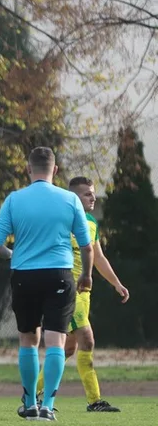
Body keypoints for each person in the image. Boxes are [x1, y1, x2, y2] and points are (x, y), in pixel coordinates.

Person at [0, 147, 93, 421]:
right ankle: (47, 404)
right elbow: (86, 246)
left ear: (28, 169)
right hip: (59, 273)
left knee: (28, 340)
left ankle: (29, 403)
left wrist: (13, 254)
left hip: (25, 275)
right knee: (56, 341)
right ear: (55, 170)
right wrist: (87, 275)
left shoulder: (14, 200)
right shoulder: (70, 199)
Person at [35, 176, 130, 412]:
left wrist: (116, 284)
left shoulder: (90, 222)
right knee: (88, 339)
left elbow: (98, 257)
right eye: (87, 193)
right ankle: (94, 401)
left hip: (84, 294)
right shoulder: (60, 220)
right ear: (74, 197)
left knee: (68, 349)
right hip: (67, 291)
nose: (93, 197)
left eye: (93, 193)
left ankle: (33, 393)